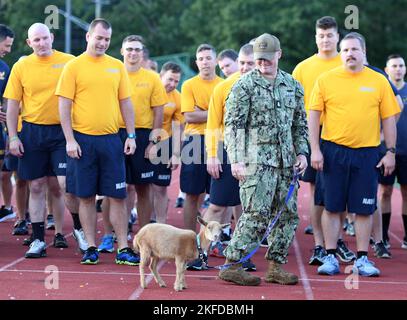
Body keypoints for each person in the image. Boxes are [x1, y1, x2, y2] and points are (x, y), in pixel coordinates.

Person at [218, 33, 308, 286]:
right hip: (255, 161)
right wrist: (235, 160)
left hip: (286, 163)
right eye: (259, 59)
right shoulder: (243, 85)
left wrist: (302, 152)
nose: (263, 64)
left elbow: (300, 124)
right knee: (256, 214)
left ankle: (275, 267)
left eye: (268, 59)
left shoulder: (292, 85)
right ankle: (232, 264)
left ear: (279, 54)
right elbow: (233, 126)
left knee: (288, 216)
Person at [309, 32, 400, 277]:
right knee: (331, 207)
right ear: (341, 53)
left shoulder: (379, 81)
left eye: (354, 49)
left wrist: (390, 151)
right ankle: (330, 256)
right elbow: (314, 115)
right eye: (346, 50)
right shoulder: (326, 79)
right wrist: (315, 149)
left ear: (364, 52)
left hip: (367, 153)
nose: (350, 54)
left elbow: (389, 119)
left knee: (364, 208)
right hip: (333, 151)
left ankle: (361, 259)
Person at [56, 18, 138, 265]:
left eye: (107, 39)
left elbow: (126, 102)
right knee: (86, 196)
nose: (103, 42)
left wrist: (131, 135)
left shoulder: (116, 66)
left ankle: (123, 247)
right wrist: (69, 140)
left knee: (118, 196)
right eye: (99, 37)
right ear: (88, 37)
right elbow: (64, 104)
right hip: (82, 141)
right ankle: (91, 247)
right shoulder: (73, 66)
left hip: (112, 140)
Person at [4, 23, 85, 258]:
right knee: (36, 185)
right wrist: (13, 136)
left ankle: (79, 229)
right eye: (35, 40)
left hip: (63, 132)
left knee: (64, 184)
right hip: (32, 132)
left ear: (52, 37)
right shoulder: (22, 66)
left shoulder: (70, 62)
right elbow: (12, 105)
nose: (41, 43)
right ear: (29, 43)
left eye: (44, 38)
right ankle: (38, 240)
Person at [292, 16, 355, 265]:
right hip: (313, 137)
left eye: (330, 35)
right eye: (321, 35)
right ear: (316, 38)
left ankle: (335, 238)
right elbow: (295, 107)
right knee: (318, 192)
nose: (326, 39)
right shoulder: (303, 68)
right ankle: (320, 244)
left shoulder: (350, 62)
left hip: (344, 137)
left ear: (337, 37)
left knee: (341, 193)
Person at [97, 34, 166, 254]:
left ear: (142, 52)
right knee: (113, 188)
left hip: (143, 134)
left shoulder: (153, 77)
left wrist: (154, 142)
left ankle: (143, 238)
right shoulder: (112, 73)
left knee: (143, 188)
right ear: (122, 51)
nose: (133, 53)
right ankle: (109, 236)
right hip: (113, 134)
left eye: (137, 49)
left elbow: (159, 111)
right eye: (129, 49)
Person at [198, 44, 256, 272]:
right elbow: (212, 123)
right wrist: (212, 155)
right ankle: (198, 252)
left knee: (248, 206)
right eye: (241, 62)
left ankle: (241, 254)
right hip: (227, 150)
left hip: (255, 152)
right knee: (217, 205)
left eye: (250, 63)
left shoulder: (266, 87)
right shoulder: (223, 88)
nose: (244, 67)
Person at [180, 43, 223, 231]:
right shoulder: (189, 85)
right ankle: (188, 237)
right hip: (194, 142)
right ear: (197, 62)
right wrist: (216, 113)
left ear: (216, 61)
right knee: (191, 193)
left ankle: (210, 238)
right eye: (201, 59)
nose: (205, 62)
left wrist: (203, 112)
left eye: (208, 58)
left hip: (218, 140)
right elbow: (189, 116)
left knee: (217, 195)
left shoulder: (223, 85)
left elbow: (229, 115)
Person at [151, 62, 184, 224]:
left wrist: (176, 154)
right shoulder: (149, 89)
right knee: (136, 187)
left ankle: (160, 223)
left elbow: (178, 128)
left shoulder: (177, 97)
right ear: (160, 76)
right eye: (169, 79)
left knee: (160, 187)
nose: (172, 84)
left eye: (176, 81)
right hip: (142, 139)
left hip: (164, 143)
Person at [380, 54, 407, 249]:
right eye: (394, 66)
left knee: (406, 192)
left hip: (406, 151)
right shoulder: (383, 89)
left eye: (401, 65)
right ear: (386, 69)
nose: (397, 69)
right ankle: (383, 237)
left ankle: (406, 236)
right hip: (387, 151)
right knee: (385, 191)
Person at [0, 24, 15, 223]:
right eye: (7, 45)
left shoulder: (4, 68)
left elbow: (7, 100)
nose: (8, 50)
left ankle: (8, 208)